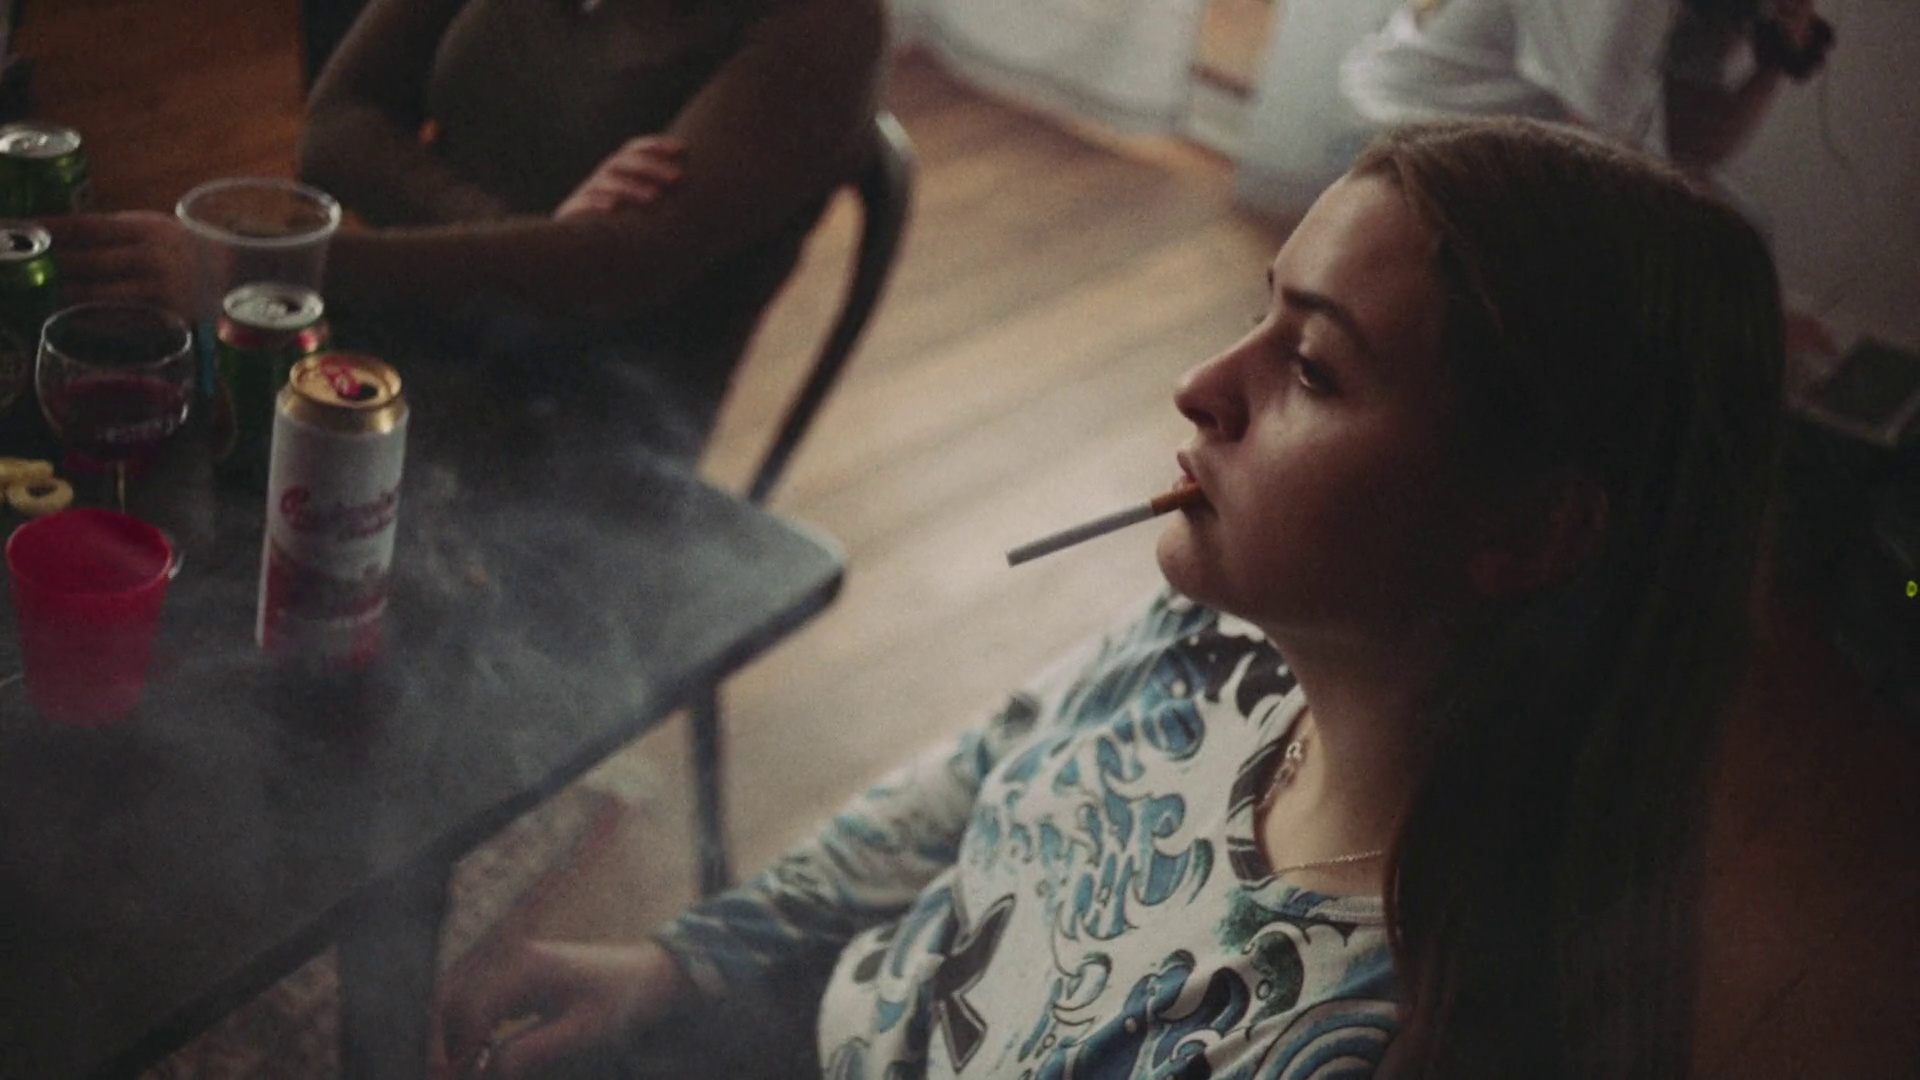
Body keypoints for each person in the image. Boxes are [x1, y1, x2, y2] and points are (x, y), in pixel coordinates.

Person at [432, 118, 1917, 1080]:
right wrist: (689, 964)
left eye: (1314, 366)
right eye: (1262, 311)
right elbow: (979, 777)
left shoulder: (1346, 1034)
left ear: (1528, 531)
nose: (1204, 385)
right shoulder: (1226, 637)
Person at [41, 0, 887, 456]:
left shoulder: (825, 21)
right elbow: (336, 125)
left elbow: (614, 271)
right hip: (418, 328)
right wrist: (533, 232)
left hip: (583, 432)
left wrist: (263, 271)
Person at [1338, 0, 1834, 172]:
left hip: (1497, 145)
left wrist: (1773, 64)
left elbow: (1689, 145)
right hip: (1397, 135)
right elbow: (1609, 165)